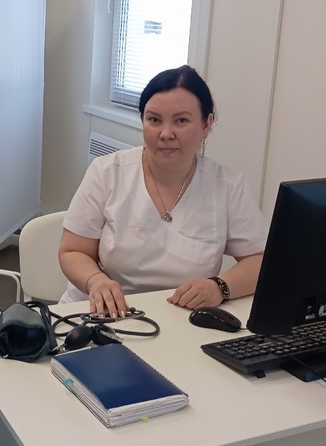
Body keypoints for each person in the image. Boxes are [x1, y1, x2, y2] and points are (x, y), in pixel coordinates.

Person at [58, 65, 267, 318]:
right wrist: (96, 281)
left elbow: (261, 260)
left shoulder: (226, 185)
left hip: (182, 318)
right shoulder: (107, 172)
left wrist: (220, 287)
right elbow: (73, 251)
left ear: (206, 124)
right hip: (102, 314)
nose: (166, 134)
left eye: (181, 121)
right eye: (154, 120)